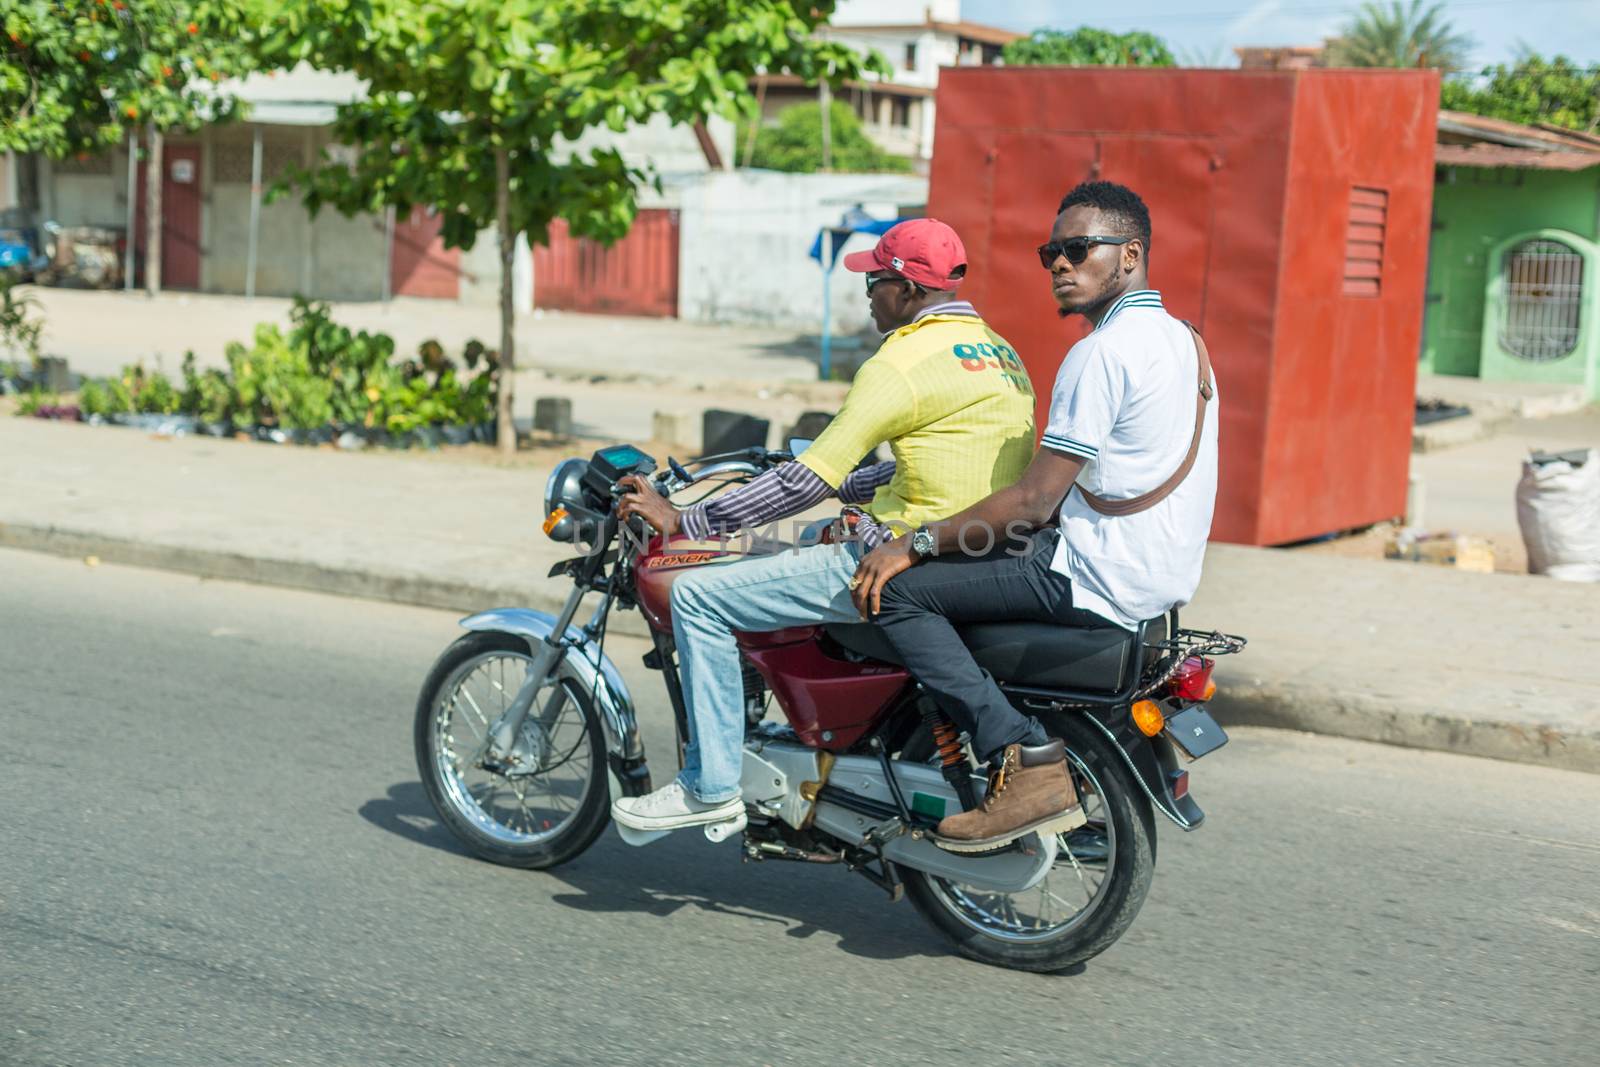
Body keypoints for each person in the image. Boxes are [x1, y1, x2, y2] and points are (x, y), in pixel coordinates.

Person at [609, 218, 1037, 833]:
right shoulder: (999, 352)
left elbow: (805, 482)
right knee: (807, 538)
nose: (868, 295)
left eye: (877, 282)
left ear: (910, 288)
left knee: (699, 596)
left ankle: (712, 786)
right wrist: (846, 481)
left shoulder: (900, 362)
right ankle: (809, 732)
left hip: (906, 557)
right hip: (978, 550)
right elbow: (937, 467)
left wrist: (687, 517)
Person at [850, 180, 1220, 853]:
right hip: (1159, 573)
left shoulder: (1100, 352)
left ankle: (1022, 754)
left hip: (1095, 570)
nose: (1059, 265)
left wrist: (915, 541)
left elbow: (1033, 500)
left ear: (1130, 255)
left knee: (897, 591)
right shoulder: (1185, 341)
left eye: (1078, 249)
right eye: (1052, 251)